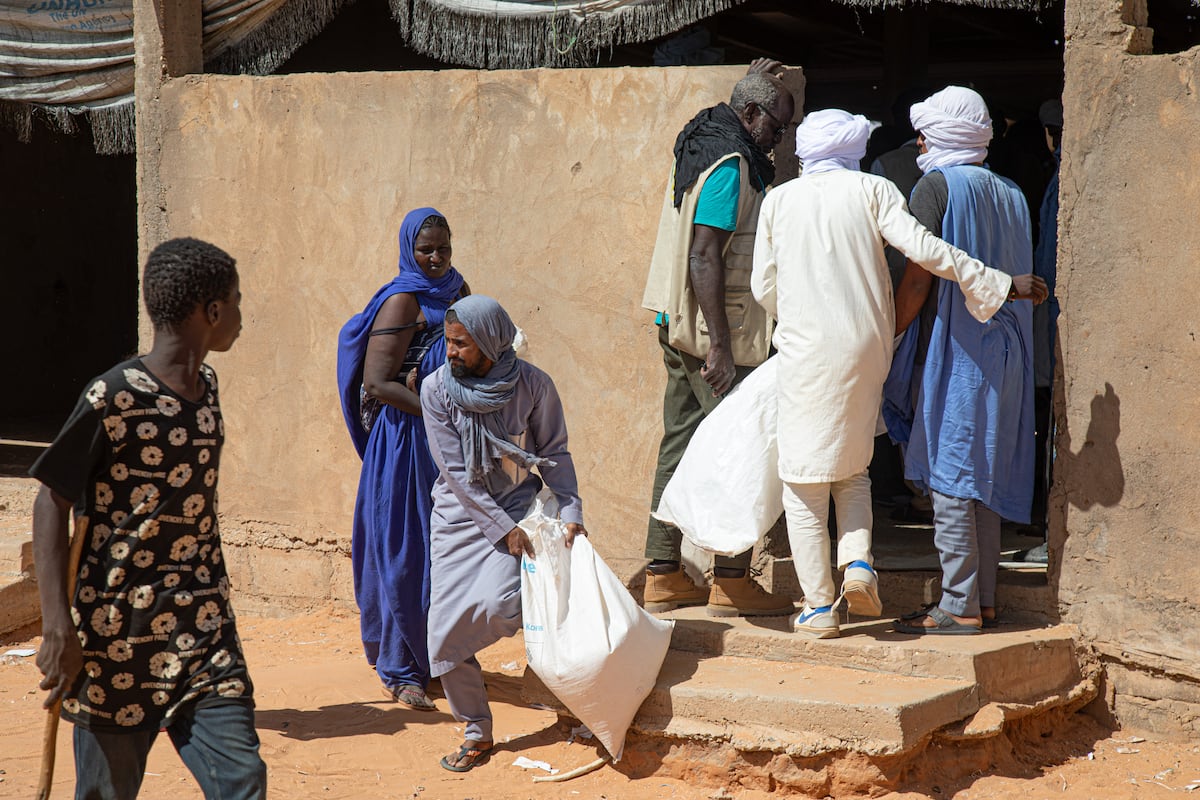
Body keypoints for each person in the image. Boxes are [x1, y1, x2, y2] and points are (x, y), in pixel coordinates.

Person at [751, 109, 1047, 639]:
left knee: (802, 483)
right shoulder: (874, 190)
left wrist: (799, 314)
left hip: (808, 349)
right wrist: (1000, 282)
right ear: (853, 150)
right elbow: (927, 252)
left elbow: (763, 288)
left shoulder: (779, 199)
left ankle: (820, 606)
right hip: (867, 348)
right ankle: (859, 563)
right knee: (854, 468)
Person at [30, 237, 267, 799]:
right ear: (211, 311)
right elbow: (50, 500)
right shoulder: (112, 398)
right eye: (235, 301)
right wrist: (57, 624)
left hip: (204, 625)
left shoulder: (206, 388)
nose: (240, 314)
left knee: (242, 778)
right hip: (116, 635)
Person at [640, 66, 796, 618]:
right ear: (751, 115)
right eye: (777, 127)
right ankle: (730, 578)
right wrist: (722, 349)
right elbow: (704, 254)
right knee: (739, 447)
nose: (780, 139)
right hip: (712, 332)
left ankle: (662, 573)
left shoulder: (704, 137)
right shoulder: (731, 165)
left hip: (678, 321)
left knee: (680, 439)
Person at [889, 87, 1043, 635]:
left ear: (942, 136)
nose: (920, 141)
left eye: (926, 132)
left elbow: (916, 276)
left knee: (952, 473)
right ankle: (985, 598)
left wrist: (892, 330)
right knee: (983, 473)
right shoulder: (1012, 192)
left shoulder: (935, 187)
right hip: (1008, 352)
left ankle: (958, 604)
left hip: (957, 349)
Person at [420, 294, 587, 772]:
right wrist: (502, 529)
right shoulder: (436, 391)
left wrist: (570, 508)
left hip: (517, 507)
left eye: (461, 345)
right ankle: (477, 732)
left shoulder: (533, 385)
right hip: (459, 517)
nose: (450, 354)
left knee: (501, 604)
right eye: (448, 343)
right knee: (444, 634)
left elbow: (554, 450)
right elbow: (454, 472)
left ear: (491, 343)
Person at [336, 207, 469, 711]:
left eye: (443, 249)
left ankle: (439, 656)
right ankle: (401, 669)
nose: (435, 259)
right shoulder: (401, 301)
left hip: (446, 439)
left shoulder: (458, 291)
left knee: (444, 547)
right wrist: (438, 415)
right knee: (405, 547)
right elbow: (377, 383)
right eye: (425, 250)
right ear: (408, 249)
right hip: (407, 441)